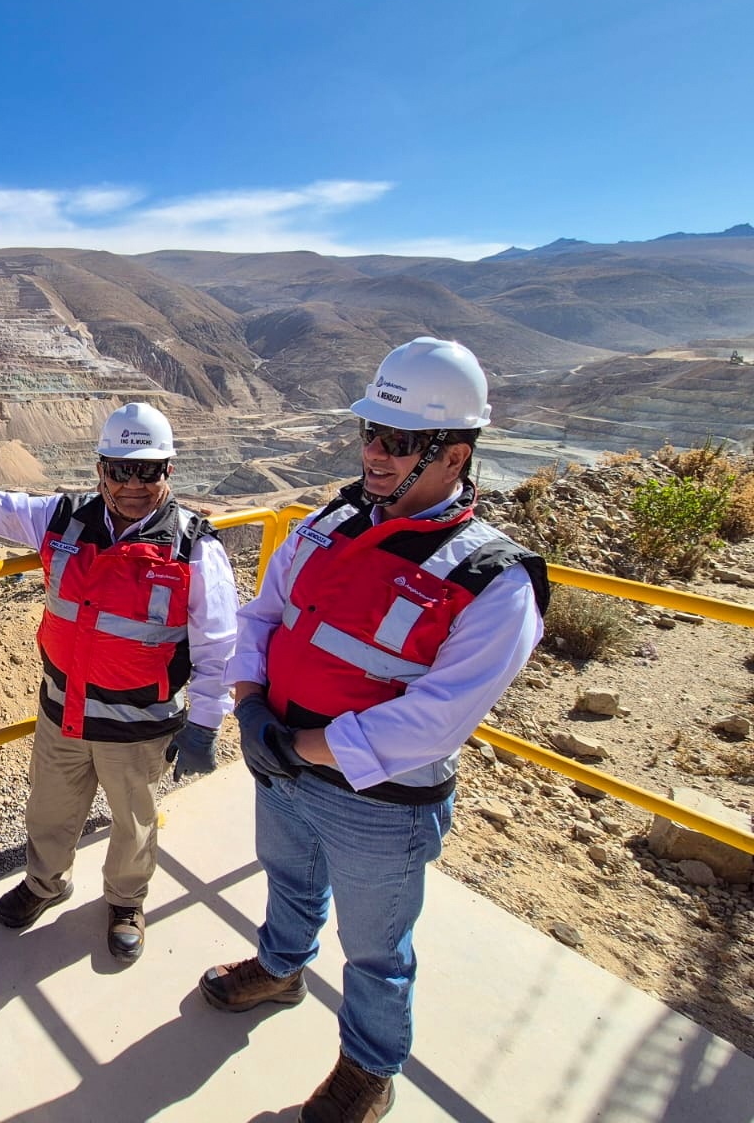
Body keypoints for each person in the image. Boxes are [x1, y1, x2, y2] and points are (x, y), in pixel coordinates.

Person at [198, 337, 549, 1123]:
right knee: (287, 881)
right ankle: (282, 969)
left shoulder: (494, 581)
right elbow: (263, 615)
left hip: (379, 804)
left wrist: (297, 745)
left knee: (378, 951)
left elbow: (433, 721)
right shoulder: (332, 518)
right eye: (369, 435)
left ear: (454, 455)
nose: (374, 455)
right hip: (283, 761)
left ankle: (369, 1068)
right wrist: (251, 705)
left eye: (396, 443)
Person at [0, 402, 238, 964]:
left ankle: (125, 902)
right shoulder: (63, 518)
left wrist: (206, 724)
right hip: (63, 710)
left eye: (149, 470)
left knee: (134, 822)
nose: (135, 484)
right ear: (101, 469)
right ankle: (45, 883)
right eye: (122, 470)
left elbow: (219, 645)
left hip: (139, 726)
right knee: (49, 810)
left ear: (169, 471)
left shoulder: (195, 547)